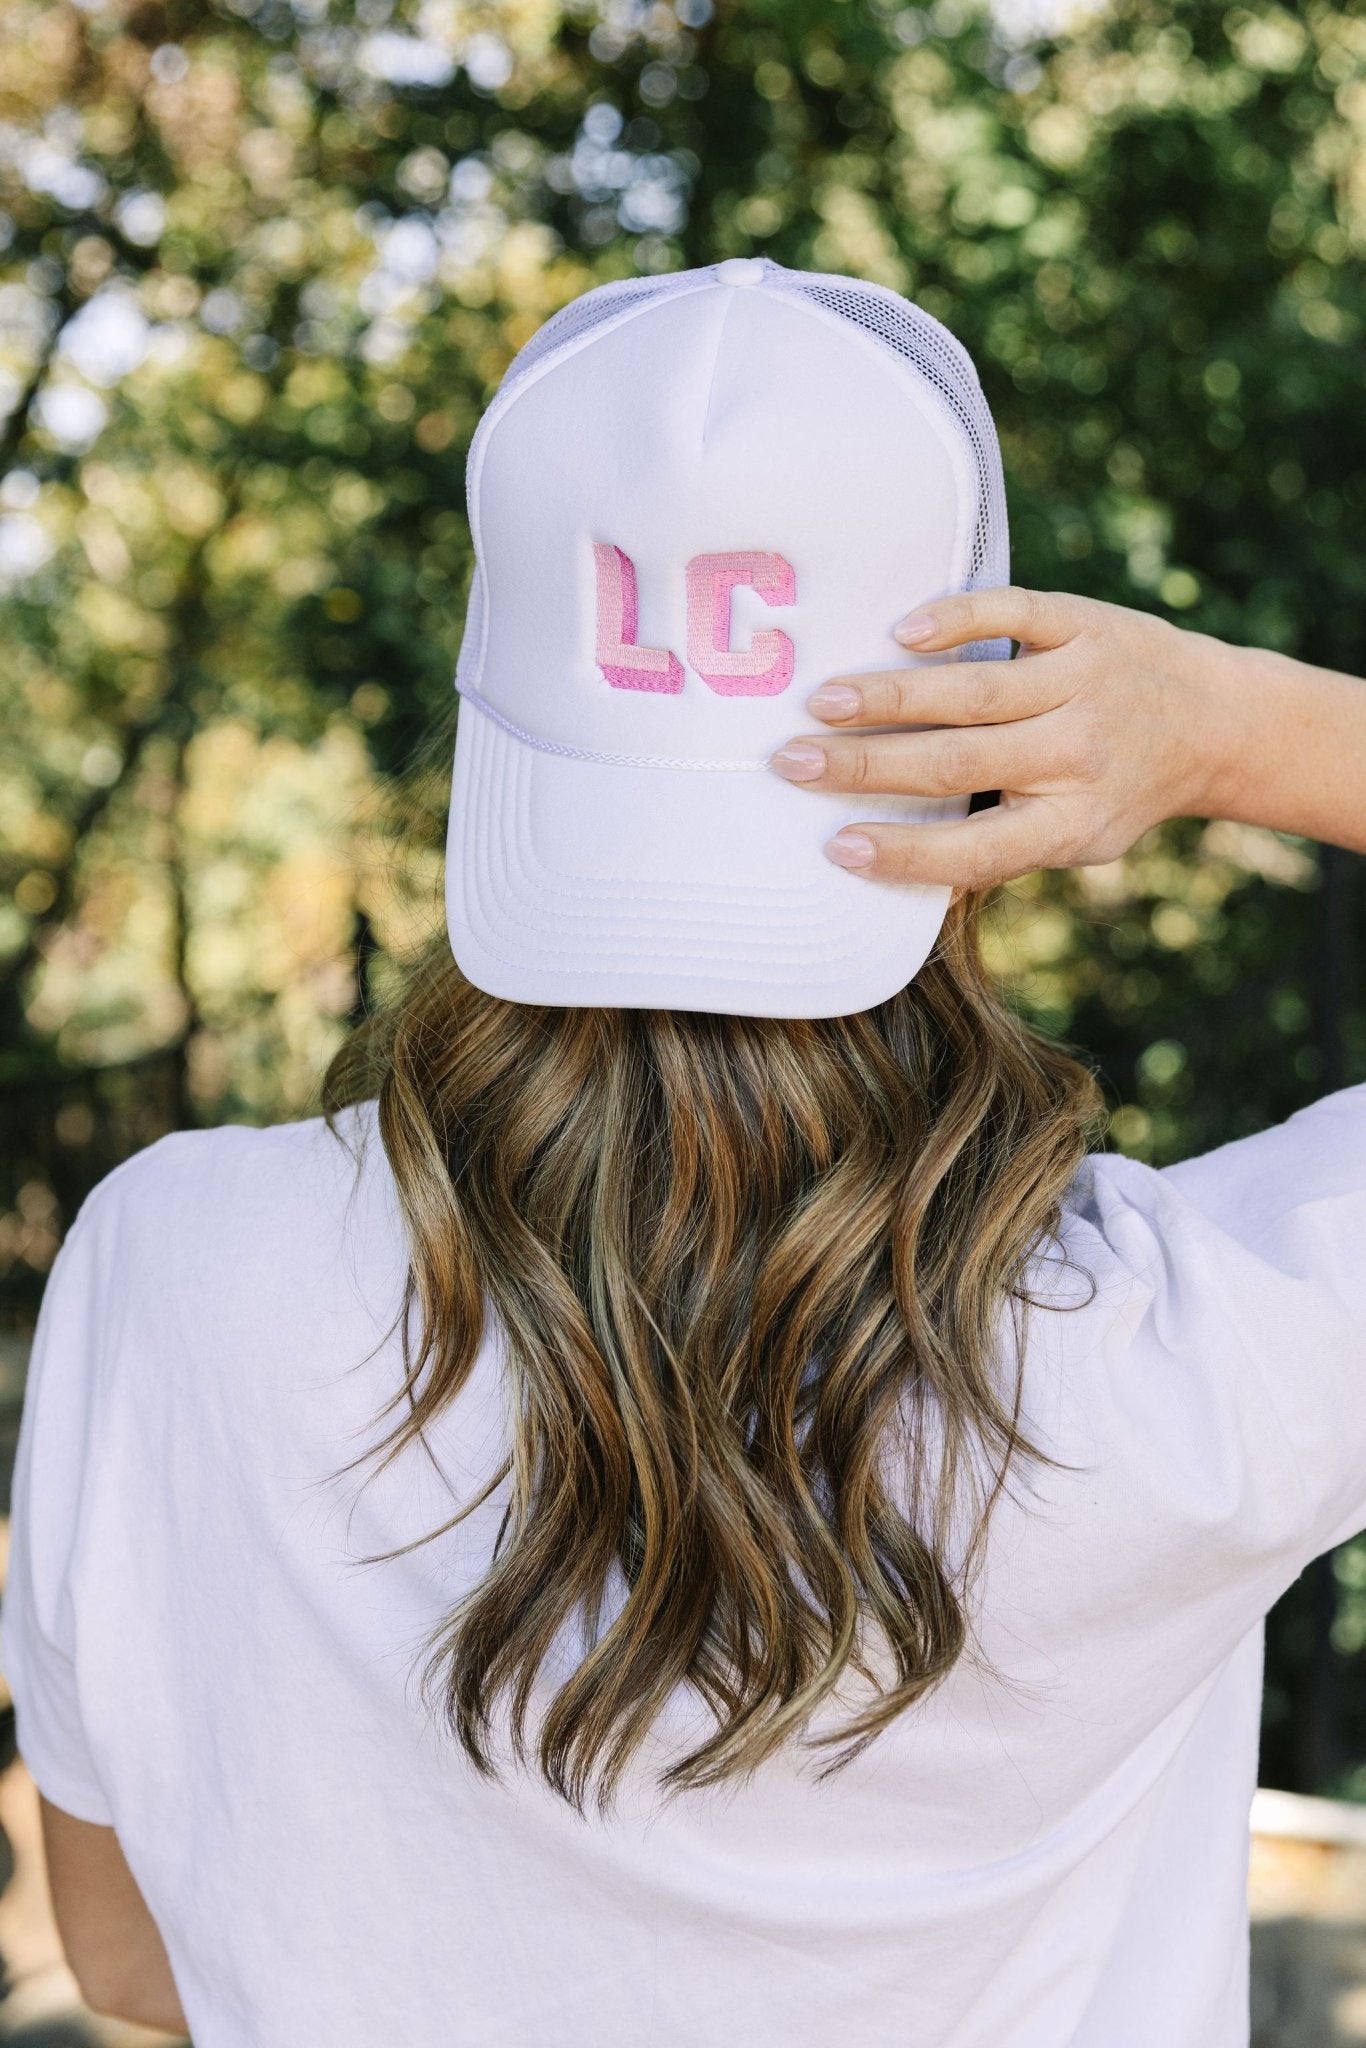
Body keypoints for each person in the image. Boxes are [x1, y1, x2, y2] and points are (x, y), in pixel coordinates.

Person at [3, 257, 1364, 2048]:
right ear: (995, 776)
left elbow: (128, 1968)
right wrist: (1243, 729)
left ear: (493, 733)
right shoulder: (1206, 1350)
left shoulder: (171, 1266)